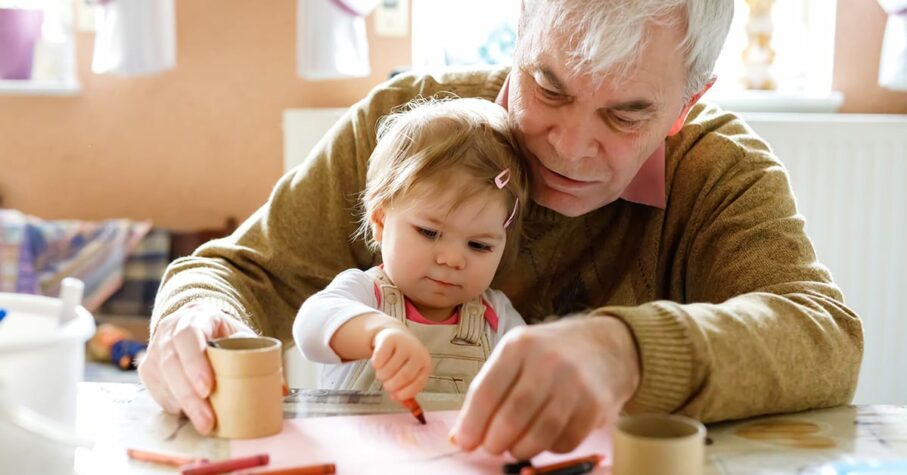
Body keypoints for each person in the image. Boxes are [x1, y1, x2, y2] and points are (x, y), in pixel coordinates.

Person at [139, 0, 863, 460]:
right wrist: (195, 314)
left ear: (686, 103)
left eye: (626, 114)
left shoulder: (717, 170)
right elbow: (243, 271)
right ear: (520, 30)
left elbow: (823, 336)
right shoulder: (412, 124)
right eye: (548, 86)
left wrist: (627, 348)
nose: (569, 145)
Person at [292, 98, 528, 400]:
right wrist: (377, 333)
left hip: (456, 446)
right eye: (429, 232)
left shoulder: (495, 317)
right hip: (361, 446)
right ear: (380, 221)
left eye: (479, 245)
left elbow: (533, 375)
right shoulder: (366, 293)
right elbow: (309, 328)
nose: (452, 259)